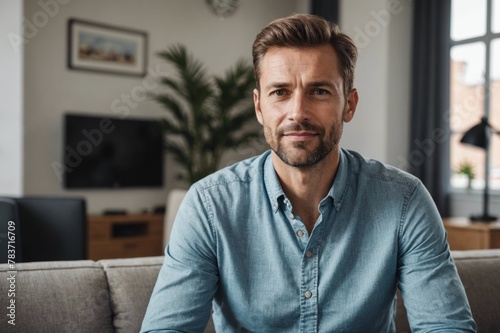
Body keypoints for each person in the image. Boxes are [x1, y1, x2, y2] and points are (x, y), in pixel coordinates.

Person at [141, 14, 476, 332]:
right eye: (280, 92)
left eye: (319, 91)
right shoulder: (209, 205)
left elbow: (445, 325)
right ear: (259, 107)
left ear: (350, 105)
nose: (297, 113)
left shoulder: (404, 201)